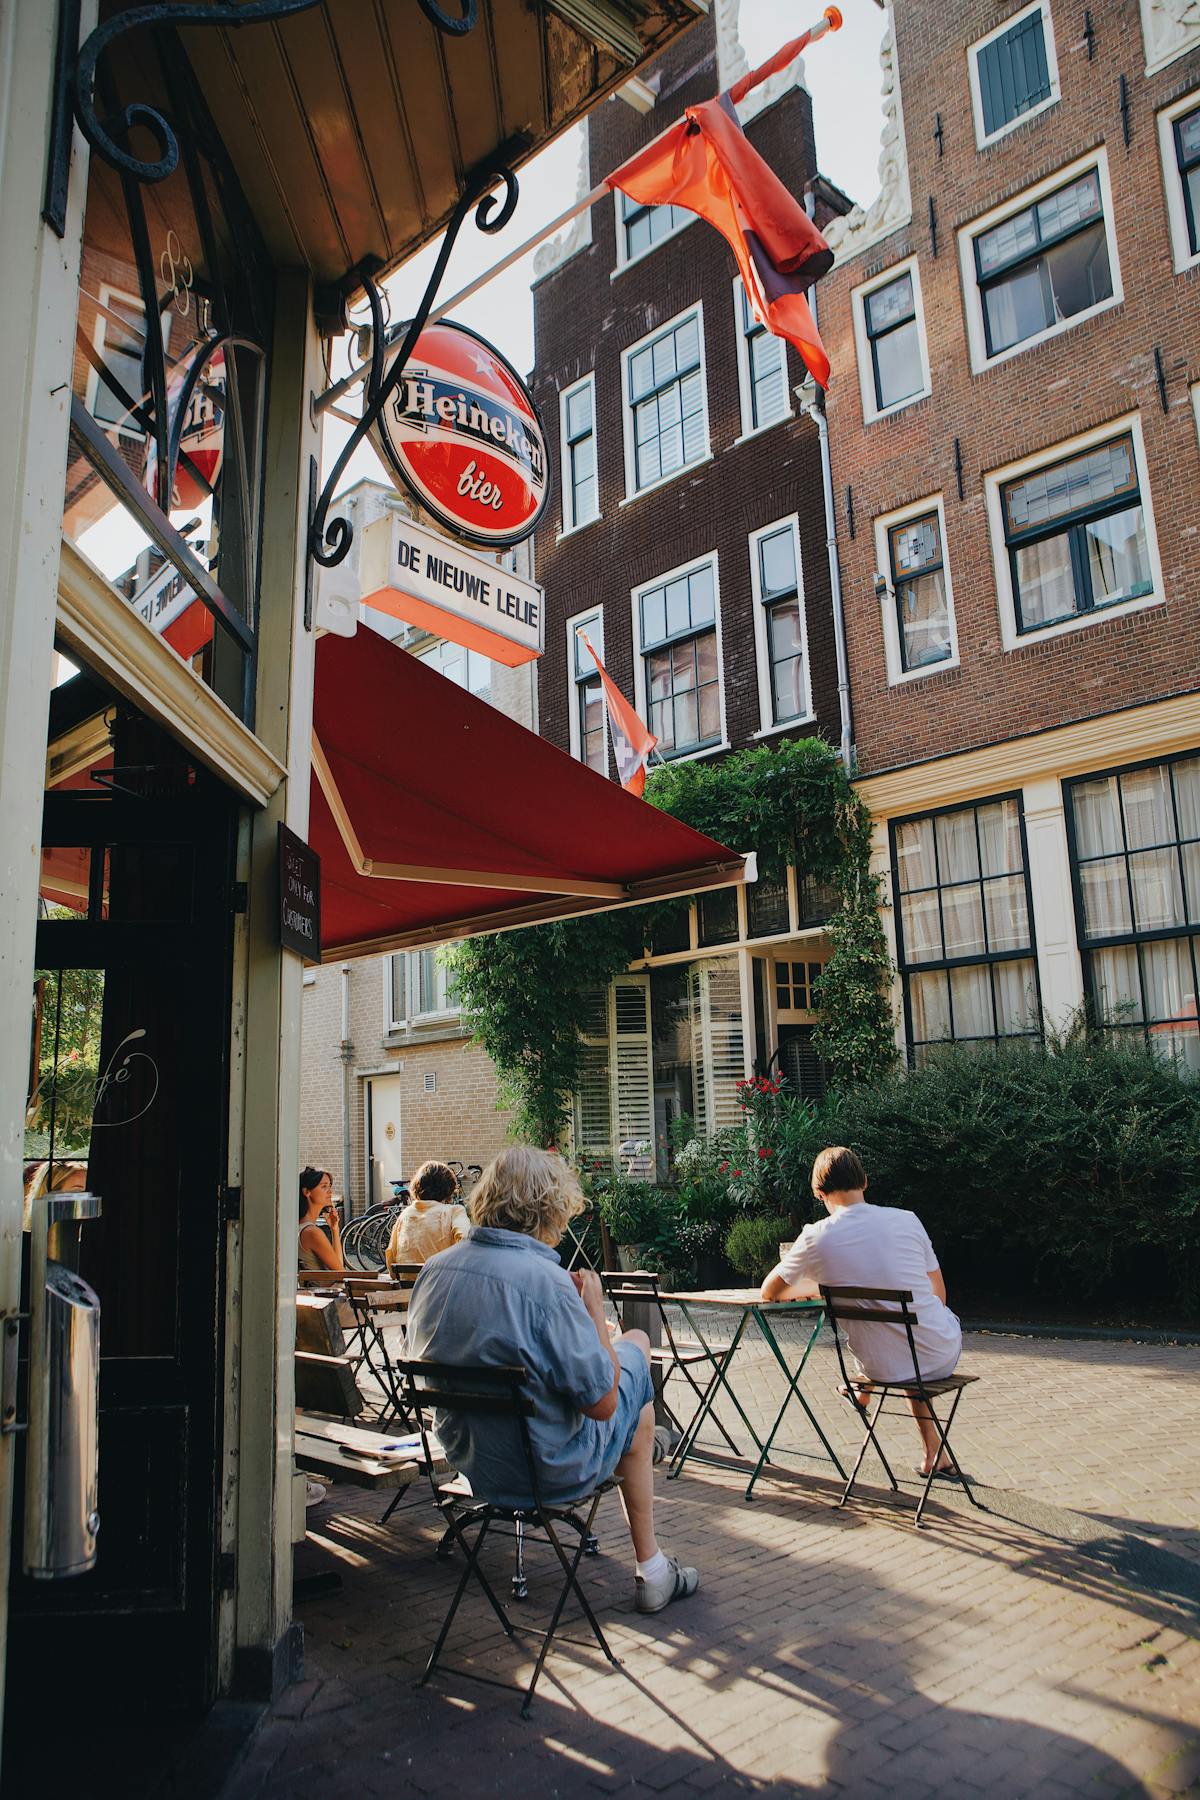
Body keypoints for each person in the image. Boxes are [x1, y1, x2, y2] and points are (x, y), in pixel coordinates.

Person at [406, 1146, 699, 1615]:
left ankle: (649, 1450)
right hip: (546, 1470)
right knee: (637, 1355)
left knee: (627, 1394)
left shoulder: (434, 1271)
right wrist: (595, 1310)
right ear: (549, 1207)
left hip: (470, 1464)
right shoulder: (546, 1281)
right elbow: (602, 1404)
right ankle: (653, 1566)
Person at [761, 1146, 963, 1479]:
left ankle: (864, 1390)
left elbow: (770, 1291)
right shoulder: (906, 1220)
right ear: (865, 1181)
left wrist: (819, 1289)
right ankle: (934, 1454)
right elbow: (938, 1294)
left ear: (818, 1193)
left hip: (878, 1365)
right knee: (908, 1339)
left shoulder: (815, 1236)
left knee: (895, 1346)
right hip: (936, 1352)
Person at [384, 1159, 469, 1271]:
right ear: (449, 1188)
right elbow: (467, 1242)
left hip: (407, 1284)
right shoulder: (454, 1212)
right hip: (441, 1283)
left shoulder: (405, 1214)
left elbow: (391, 1254)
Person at [298, 1166, 345, 1273]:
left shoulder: (302, 1227)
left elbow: (337, 1266)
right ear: (307, 1192)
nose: (330, 1191)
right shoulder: (312, 1232)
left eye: (330, 1186)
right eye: (324, 1186)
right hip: (320, 1288)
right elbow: (341, 1273)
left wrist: (334, 1229)